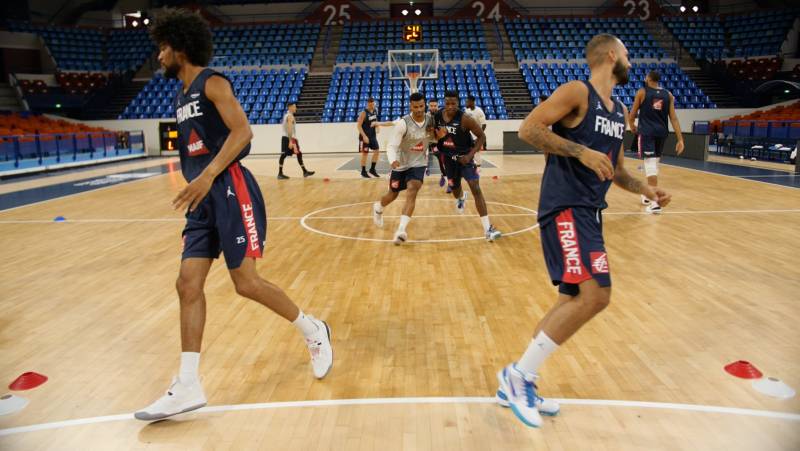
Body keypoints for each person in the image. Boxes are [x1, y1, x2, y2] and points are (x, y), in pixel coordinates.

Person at [135, 9, 332, 421]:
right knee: (187, 284)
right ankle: (188, 383)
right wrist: (196, 183)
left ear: (180, 47)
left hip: (228, 188)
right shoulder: (179, 96)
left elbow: (243, 133)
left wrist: (207, 176)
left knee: (246, 283)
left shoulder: (213, 82)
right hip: (200, 200)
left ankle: (313, 331)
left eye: (163, 48)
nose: (159, 57)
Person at [496, 34, 671, 428]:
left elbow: (618, 171)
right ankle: (518, 377)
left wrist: (646, 189)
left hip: (589, 212)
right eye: (626, 54)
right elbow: (529, 129)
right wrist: (580, 151)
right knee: (597, 294)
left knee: (570, 298)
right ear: (612, 55)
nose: (630, 61)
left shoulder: (620, 108)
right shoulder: (578, 92)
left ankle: (519, 378)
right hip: (565, 207)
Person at [434, 91, 501, 241]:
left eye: (453, 103)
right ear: (444, 103)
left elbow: (482, 137)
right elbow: (433, 133)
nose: (450, 107)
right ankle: (461, 198)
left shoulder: (465, 119)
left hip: (465, 158)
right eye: (447, 103)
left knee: (475, 187)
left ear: (458, 103)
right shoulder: (438, 116)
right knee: (455, 189)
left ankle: (488, 229)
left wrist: (470, 156)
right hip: (449, 159)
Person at [372, 92, 433, 245]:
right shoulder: (403, 123)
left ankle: (401, 230)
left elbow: (433, 137)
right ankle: (378, 207)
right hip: (400, 163)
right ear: (410, 106)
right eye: (415, 106)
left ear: (424, 105)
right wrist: (392, 160)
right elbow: (392, 145)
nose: (419, 109)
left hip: (419, 163)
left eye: (421, 106)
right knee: (392, 195)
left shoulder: (431, 120)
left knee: (413, 190)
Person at [628, 70, 684, 214]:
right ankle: (648, 194)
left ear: (648, 78)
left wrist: (632, 125)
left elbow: (633, 113)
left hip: (647, 132)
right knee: (654, 164)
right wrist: (680, 139)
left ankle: (654, 202)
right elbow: (674, 118)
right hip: (662, 133)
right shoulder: (668, 95)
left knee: (650, 165)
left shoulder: (642, 92)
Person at [278, 102, 314, 179]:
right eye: (294, 107)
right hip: (288, 138)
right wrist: (291, 141)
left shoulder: (287, 115)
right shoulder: (290, 116)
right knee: (284, 155)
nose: (296, 108)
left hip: (288, 137)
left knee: (298, 153)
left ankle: (305, 171)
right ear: (290, 107)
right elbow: (289, 128)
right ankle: (280, 173)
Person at [356, 97, 381, 178]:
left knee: (376, 151)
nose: (372, 106)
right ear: (367, 104)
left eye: (373, 104)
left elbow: (375, 121)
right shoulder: (363, 113)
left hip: (372, 136)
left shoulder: (374, 111)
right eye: (370, 104)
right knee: (365, 154)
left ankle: (372, 170)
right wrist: (364, 136)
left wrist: (377, 127)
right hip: (364, 136)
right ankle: (363, 171)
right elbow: (359, 126)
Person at [426, 99, 448, 188]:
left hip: (440, 140)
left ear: (438, 106)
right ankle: (425, 168)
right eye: (431, 106)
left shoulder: (442, 115)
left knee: (442, 158)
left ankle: (445, 176)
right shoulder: (425, 116)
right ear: (428, 106)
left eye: (435, 106)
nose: (433, 107)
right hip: (430, 141)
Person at [464, 95, 487, 167]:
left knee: (476, 150)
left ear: (472, 102)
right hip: (468, 133)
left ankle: (478, 165)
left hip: (477, 133)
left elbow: (484, 124)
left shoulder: (479, 111)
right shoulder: (466, 110)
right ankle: (471, 163)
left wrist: (479, 136)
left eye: (467, 102)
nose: (466, 103)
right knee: (467, 149)